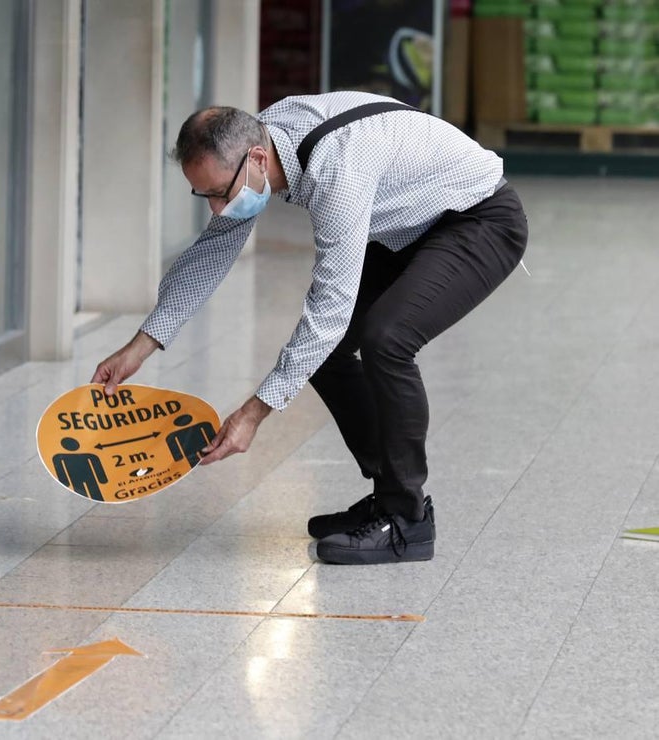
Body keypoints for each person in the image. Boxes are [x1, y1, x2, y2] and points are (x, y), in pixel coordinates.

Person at [90, 91, 529, 565]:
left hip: (478, 220)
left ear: (257, 158)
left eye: (220, 193)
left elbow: (330, 309)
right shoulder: (261, 140)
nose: (217, 209)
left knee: (387, 340)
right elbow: (212, 250)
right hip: (412, 226)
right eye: (205, 196)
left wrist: (252, 414)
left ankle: (407, 522)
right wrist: (140, 346)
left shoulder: (337, 169)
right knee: (328, 352)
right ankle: (389, 497)